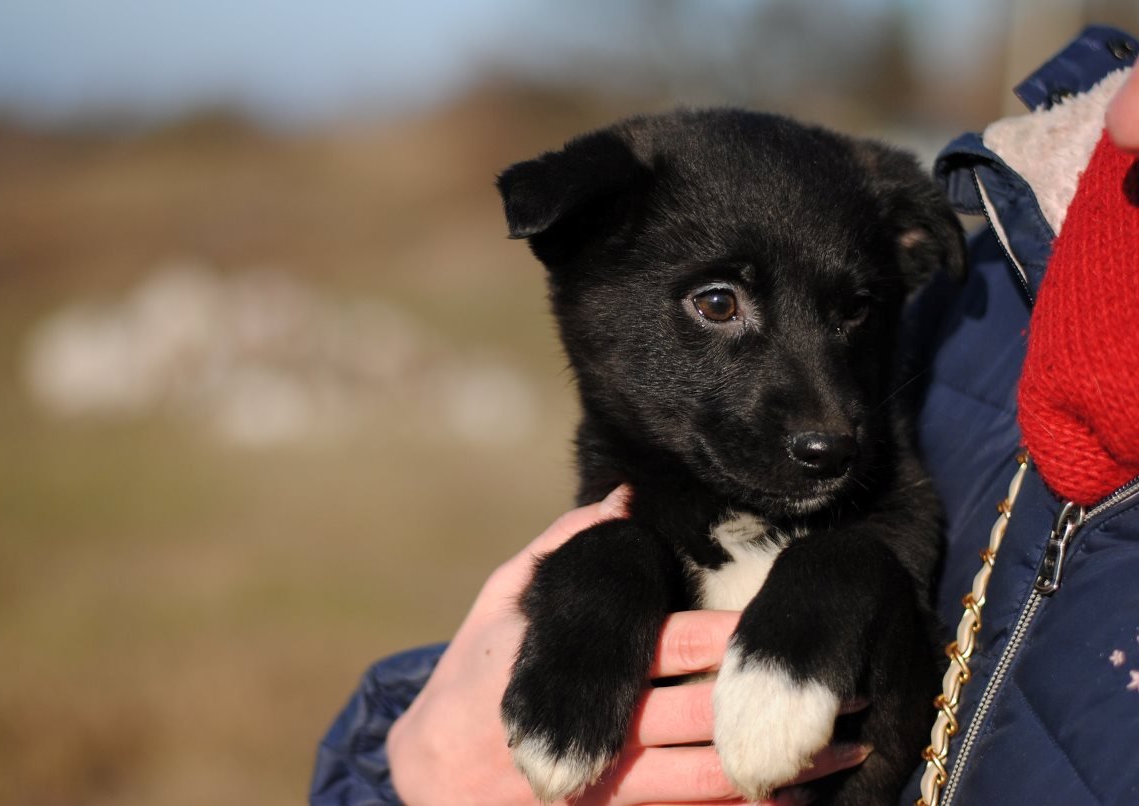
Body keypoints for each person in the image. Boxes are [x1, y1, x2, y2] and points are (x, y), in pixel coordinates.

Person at [310, 25, 1139, 806]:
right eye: (718, 303)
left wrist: (846, 582)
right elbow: (459, 739)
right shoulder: (1008, 292)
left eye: (848, 313)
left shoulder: (908, 452)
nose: (827, 420)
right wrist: (413, 773)